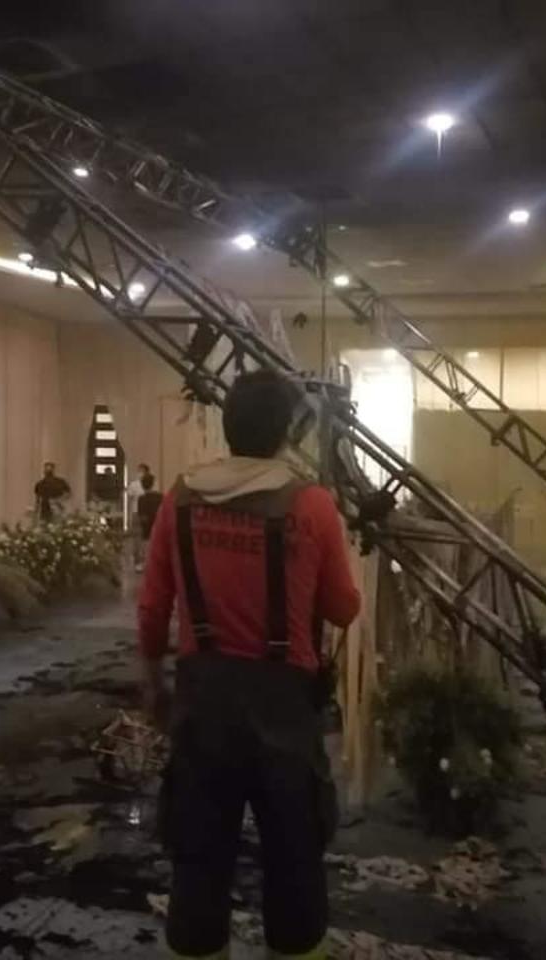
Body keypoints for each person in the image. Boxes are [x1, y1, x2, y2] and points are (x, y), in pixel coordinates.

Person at [137, 369, 361, 960]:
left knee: (198, 858)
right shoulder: (311, 505)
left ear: (228, 426)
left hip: (202, 704)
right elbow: (344, 608)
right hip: (285, 706)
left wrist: (153, 685)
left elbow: (153, 607)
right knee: (295, 858)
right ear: (288, 430)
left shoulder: (180, 500)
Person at [133, 472, 163, 573]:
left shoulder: (141, 499)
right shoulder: (161, 497)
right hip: (159, 526)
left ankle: (144, 564)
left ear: (142, 485)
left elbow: (141, 516)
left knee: (145, 547)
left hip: (146, 529)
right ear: (154, 484)